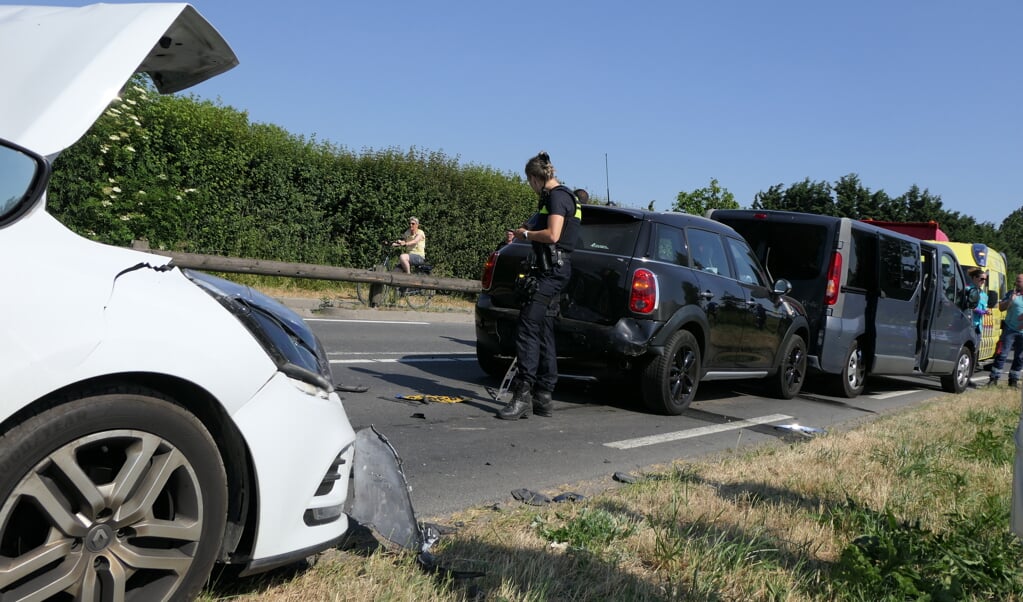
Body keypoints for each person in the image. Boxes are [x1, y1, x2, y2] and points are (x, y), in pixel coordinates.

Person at [498, 151, 581, 420]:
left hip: (551, 273)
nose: (529, 186)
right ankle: (544, 396)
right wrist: (521, 230)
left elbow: (553, 234)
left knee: (527, 328)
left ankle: (522, 396)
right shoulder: (558, 197)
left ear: (535, 177)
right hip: (553, 270)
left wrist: (528, 234)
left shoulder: (557, 197)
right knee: (544, 328)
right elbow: (536, 223)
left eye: (528, 181)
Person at [990, 273, 1023, 388]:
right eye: (1017, 281)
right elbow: (1001, 307)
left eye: (1019, 281)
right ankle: (994, 378)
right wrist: (1010, 300)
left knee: (1020, 357)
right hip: (1010, 329)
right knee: (1002, 354)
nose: (1017, 283)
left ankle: (1013, 380)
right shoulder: (1011, 293)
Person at [967, 268, 992, 387]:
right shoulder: (968, 289)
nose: (983, 281)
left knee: (974, 354)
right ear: (974, 278)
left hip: (978, 327)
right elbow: (968, 306)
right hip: (967, 324)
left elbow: (983, 308)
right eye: (981, 279)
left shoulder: (984, 295)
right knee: (966, 351)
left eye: (984, 280)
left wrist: (985, 311)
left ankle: (968, 378)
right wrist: (981, 311)